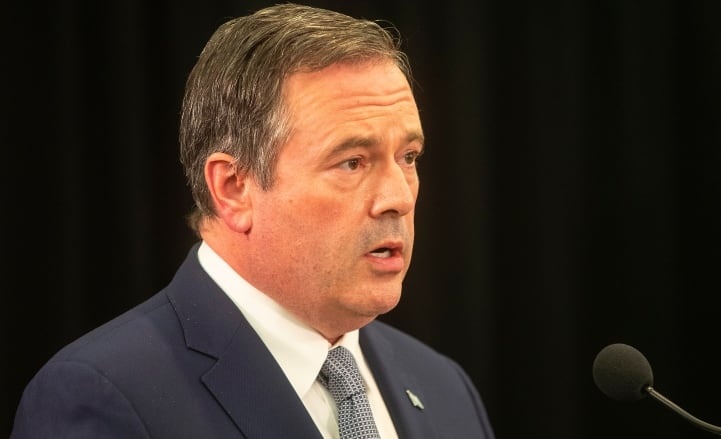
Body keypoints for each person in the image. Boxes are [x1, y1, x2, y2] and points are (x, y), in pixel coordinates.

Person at [11, 3, 495, 438]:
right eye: (352, 162)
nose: (398, 198)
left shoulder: (444, 386)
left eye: (408, 157)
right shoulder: (105, 398)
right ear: (233, 188)